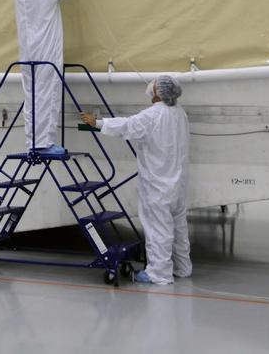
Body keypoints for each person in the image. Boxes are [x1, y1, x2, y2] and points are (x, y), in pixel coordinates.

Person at [81, 77, 190, 285]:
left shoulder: (152, 115)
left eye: (154, 84)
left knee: (159, 230)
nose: (150, 86)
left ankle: (159, 274)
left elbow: (127, 126)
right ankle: (183, 268)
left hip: (158, 185)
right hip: (178, 184)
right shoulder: (180, 113)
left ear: (158, 92)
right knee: (178, 229)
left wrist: (98, 123)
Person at [13, 0, 76, 155]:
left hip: (28, 53)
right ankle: (44, 144)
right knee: (47, 92)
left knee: (31, 95)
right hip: (46, 50)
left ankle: (32, 142)